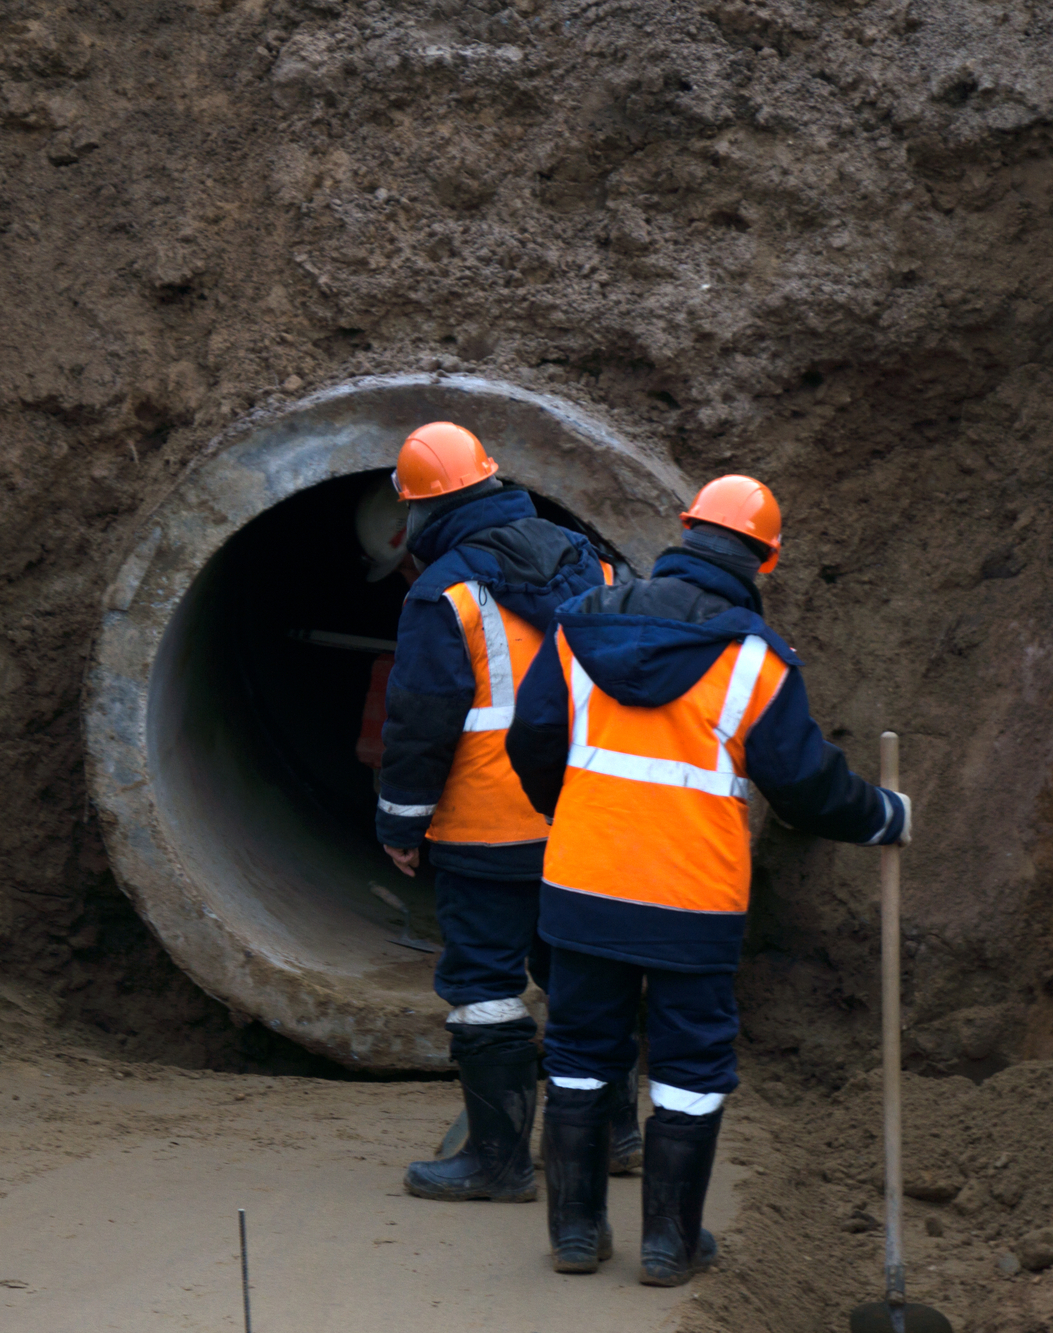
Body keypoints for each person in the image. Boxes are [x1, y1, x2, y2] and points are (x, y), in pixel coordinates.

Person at [506, 474, 910, 1283]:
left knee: (582, 1049)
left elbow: (532, 741)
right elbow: (804, 784)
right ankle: (669, 1244)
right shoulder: (753, 662)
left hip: (583, 887)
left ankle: (577, 1234)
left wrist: (577, 810)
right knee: (690, 1065)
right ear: (766, 560)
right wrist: (882, 816)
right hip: (693, 901)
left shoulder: (579, 626)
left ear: (684, 530)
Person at [374, 421, 621, 1203]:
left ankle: (499, 1161)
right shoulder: (591, 560)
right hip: (581, 815)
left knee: (484, 982)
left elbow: (420, 718)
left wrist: (399, 823)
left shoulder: (442, 588)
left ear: (420, 509)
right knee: (581, 972)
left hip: (487, 826)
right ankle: (613, 1133)